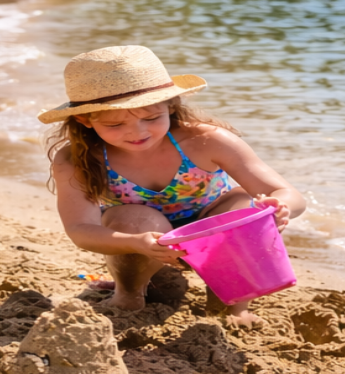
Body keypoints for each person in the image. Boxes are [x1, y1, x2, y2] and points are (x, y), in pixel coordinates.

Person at [40, 46, 306, 325]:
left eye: (152, 118)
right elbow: (80, 230)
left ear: (170, 105)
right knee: (134, 218)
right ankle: (129, 294)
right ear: (85, 120)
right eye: (116, 124)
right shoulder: (78, 157)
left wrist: (279, 207)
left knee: (244, 207)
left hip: (212, 229)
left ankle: (234, 305)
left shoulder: (206, 139)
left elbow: (288, 194)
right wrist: (136, 243)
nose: (137, 131)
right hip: (143, 239)